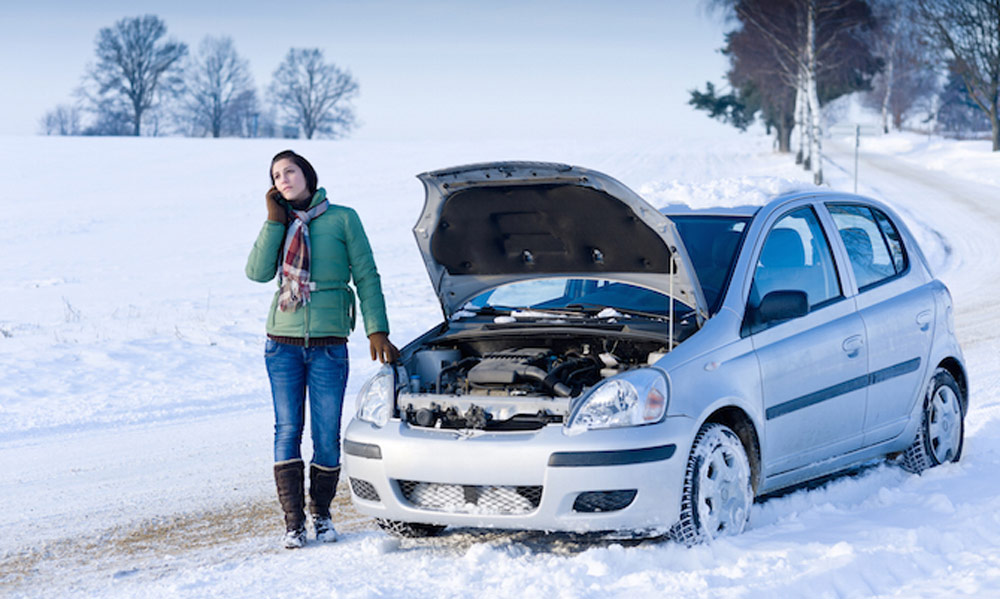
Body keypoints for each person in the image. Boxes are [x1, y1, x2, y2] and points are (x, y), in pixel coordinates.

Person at [246, 150, 399, 549]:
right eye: (276, 175)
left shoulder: (343, 218)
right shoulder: (280, 223)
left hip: (329, 344)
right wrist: (272, 221)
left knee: (327, 435)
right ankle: (293, 523)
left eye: (289, 171)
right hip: (281, 343)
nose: (283, 179)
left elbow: (366, 274)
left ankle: (323, 515)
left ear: (307, 174)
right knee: (287, 431)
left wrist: (376, 329)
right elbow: (258, 273)